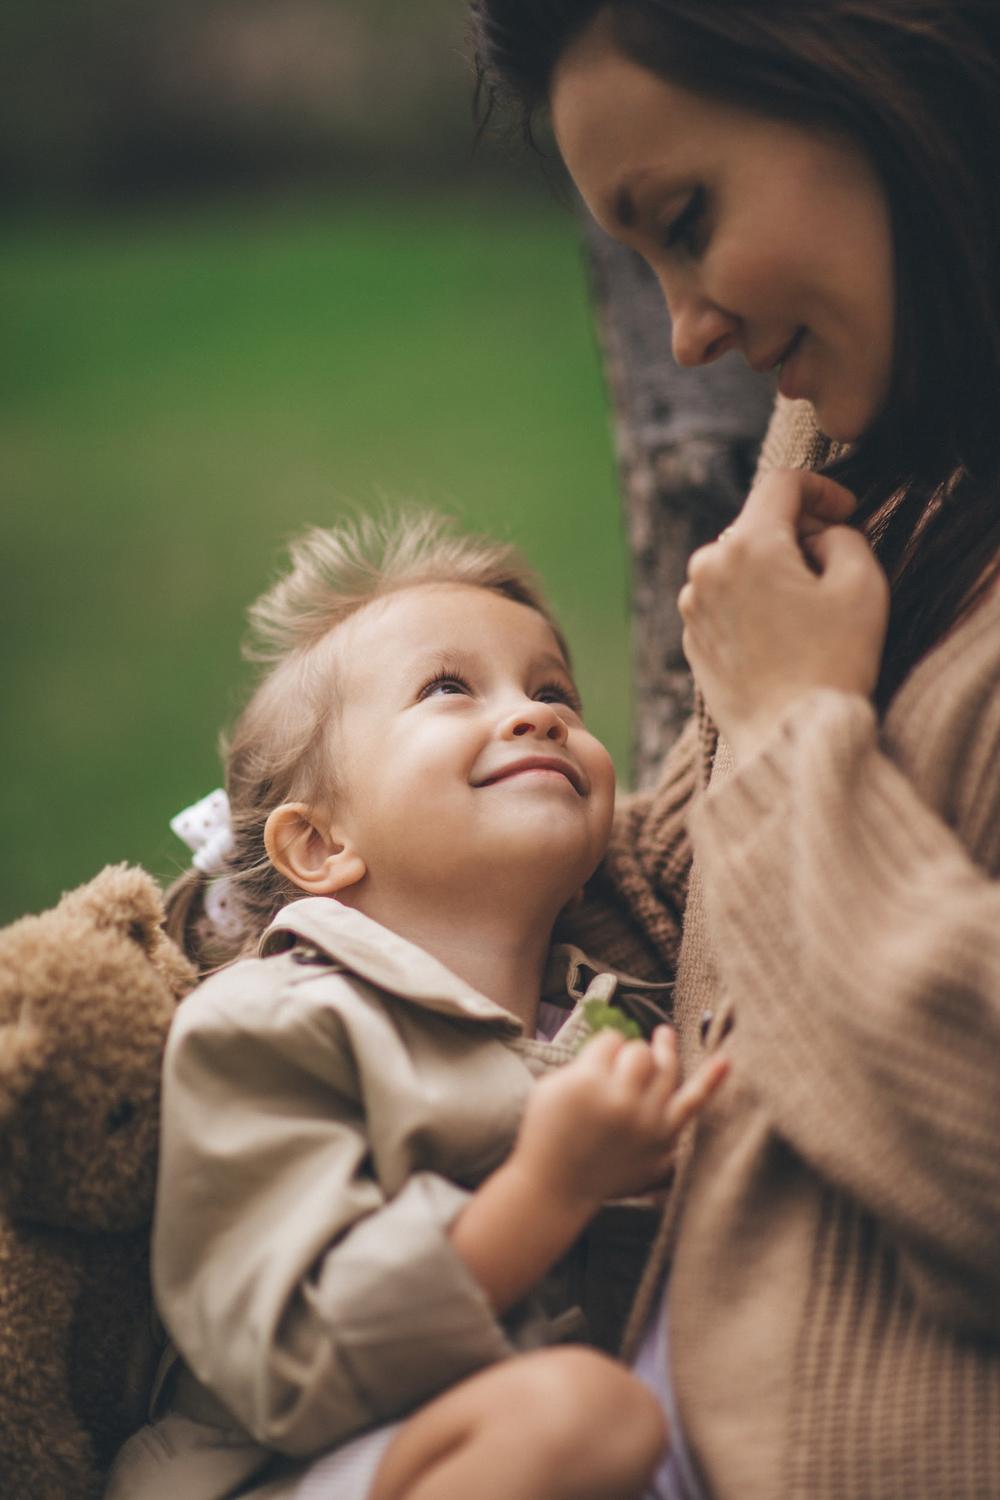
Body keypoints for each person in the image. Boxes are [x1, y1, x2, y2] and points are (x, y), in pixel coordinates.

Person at [468, 2, 1000, 1497]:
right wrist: (272, 900)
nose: (691, 331)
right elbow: (671, 914)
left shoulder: (811, 666)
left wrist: (784, 726)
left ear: (882, 81)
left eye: (686, 220)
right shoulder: (885, 534)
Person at [102, 512, 728, 1500]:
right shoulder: (271, 1023)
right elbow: (289, 1355)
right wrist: (549, 1189)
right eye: (448, 689)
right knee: (583, 1418)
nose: (535, 715)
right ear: (318, 849)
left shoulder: (617, 1017)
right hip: (295, 1471)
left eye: (553, 689)